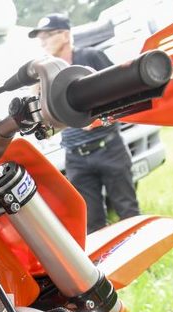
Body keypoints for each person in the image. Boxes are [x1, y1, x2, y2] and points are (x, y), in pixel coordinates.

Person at [30, 12, 140, 233]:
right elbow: (44, 117)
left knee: (128, 212)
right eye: (40, 38)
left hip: (109, 148)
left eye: (47, 36)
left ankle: (143, 252)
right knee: (92, 225)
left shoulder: (91, 57)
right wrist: (36, 93)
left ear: (65, 35)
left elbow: (121, 91)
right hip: (75, 156)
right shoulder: (46, 74)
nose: (43, 42)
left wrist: (98, 117)